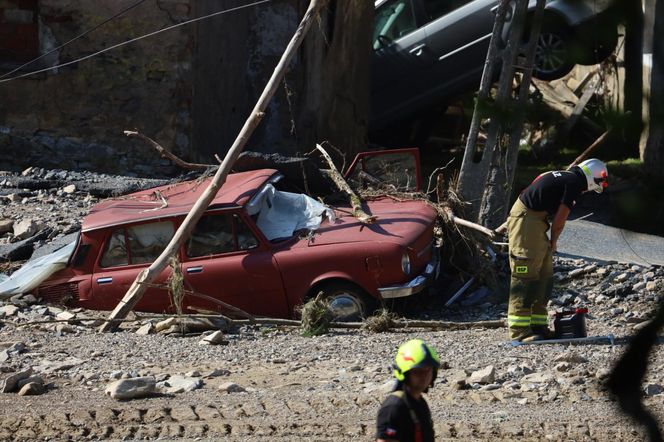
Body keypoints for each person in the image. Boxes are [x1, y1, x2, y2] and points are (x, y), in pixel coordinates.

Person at [507, 158, 609, 342]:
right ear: (592, 178)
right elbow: (560, 222)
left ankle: (539, 327)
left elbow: (537, 181)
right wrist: (553, 243)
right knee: (526, 274)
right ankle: (520, 332)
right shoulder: (574, 184)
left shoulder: (564, 176)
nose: (588, 190)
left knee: (544, 277)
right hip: (526, 221)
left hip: (536, 221)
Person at [376, 339, 440, 442]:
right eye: (418, 371)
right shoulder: (394, 407)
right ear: (404, 373)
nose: (424, 376)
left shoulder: (420, 403)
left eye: (428, 370)